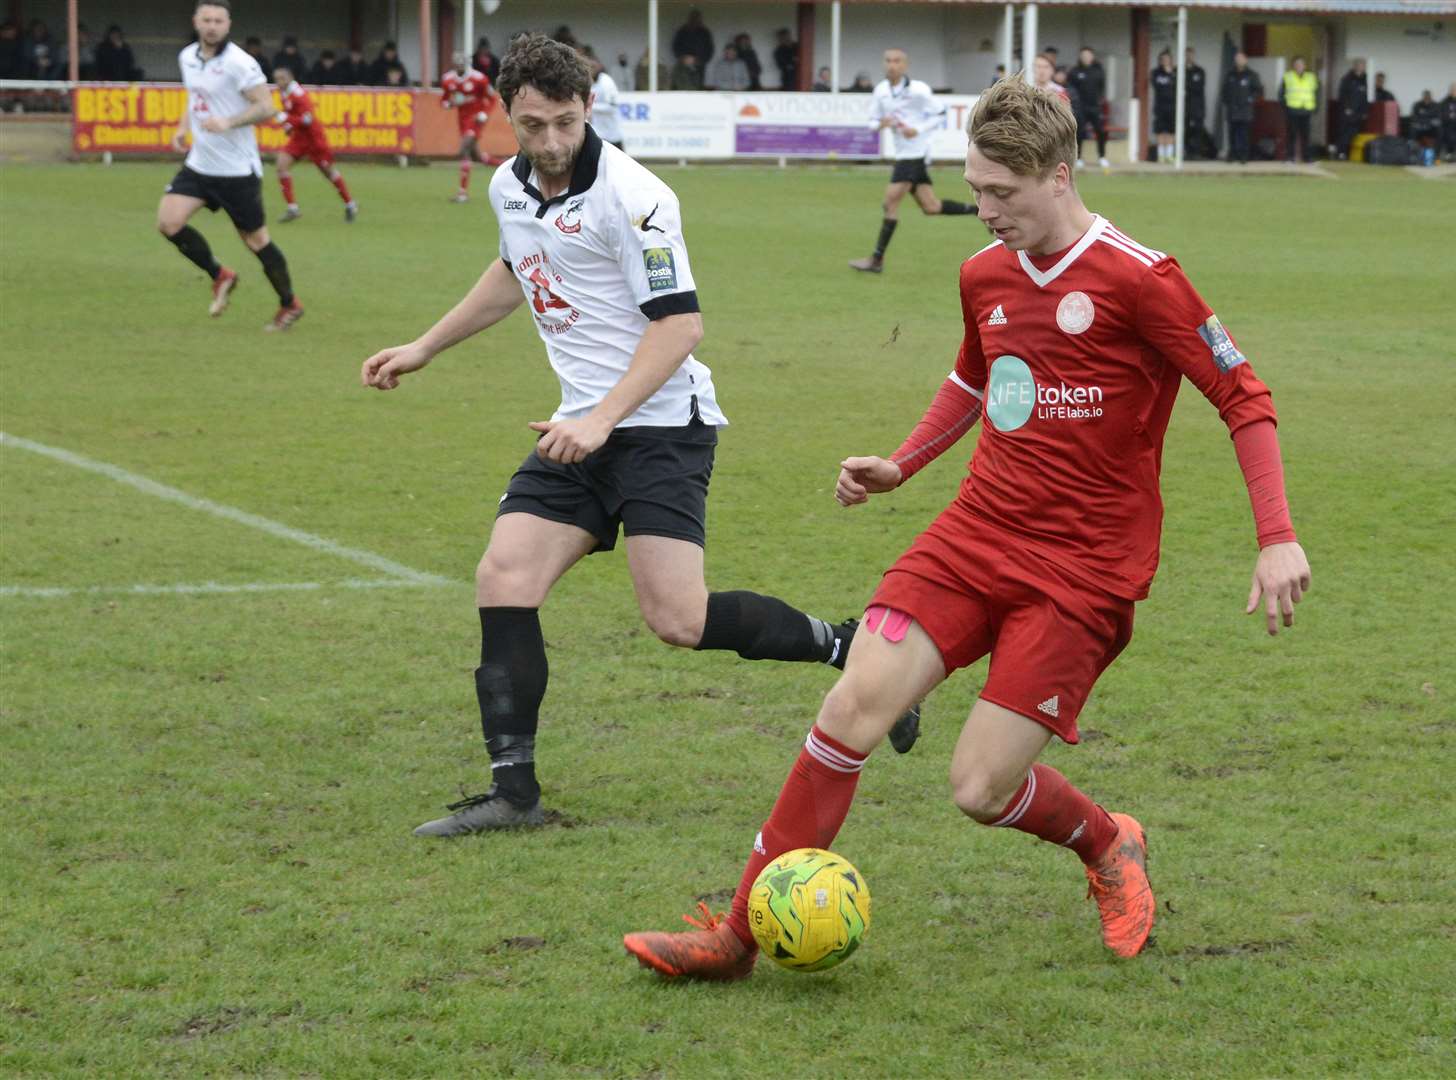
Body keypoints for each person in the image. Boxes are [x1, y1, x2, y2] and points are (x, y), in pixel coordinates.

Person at [623, 74, 1311, 982]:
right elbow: (974, 379)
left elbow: (1242, 393)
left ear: (1060, 176)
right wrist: (902, 463)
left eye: (1002, 193)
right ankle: (737, 936)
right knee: (850, 706)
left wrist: (1276, 534)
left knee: (978, 788)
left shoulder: (1142, 280)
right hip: (975, 535)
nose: (983, 211)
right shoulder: (982, 272)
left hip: (1083, 572)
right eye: (976, 188)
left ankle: (1109, 843)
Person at [360, 34, 920, 839]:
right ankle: (514, 795)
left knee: (678, 620)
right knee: (504, 575)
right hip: (578, 429)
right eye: (531, 125)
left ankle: (850, 645)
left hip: (661, 429)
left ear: (589, 108)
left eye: (563, 122)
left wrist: (599, 420)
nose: (550, 143)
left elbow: (679, 327)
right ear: (506, 116)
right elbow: (518, 268)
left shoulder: (638, 196)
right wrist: (424, 346)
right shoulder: (507, 188)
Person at [159, 2, 301, 332]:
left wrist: (229, 121)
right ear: (196, 21)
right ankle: (220, 274)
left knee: (256, 241)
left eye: (218, 21)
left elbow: (266, 107)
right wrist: (183, 127)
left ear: (228, 24)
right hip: (199, 165)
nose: (212, 26)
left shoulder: (240, 63)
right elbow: (194, 97)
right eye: (206, 20)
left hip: (236, 171)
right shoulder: (187, 57)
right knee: (168, 222)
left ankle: (289, 303)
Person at [848, 48, 977, 274]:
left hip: (914, 155)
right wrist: (881, 123)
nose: (892, 65)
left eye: (897, 61)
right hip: (904, 155)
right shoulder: (881, 91)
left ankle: (876, 260)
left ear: (905, 65)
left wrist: (916, 130)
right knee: (931, 207)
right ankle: (976, 210)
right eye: (888, 60)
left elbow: (939, 113)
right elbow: (871, 122)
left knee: (890, 204)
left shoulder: (919, 90)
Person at [271, 64, 358, 223]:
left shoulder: (299, 95)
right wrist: (289, 126)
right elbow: (294, 116)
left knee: (328, 171)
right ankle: (292, 208)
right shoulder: (284, 92)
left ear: (290, 78)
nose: (278, 82)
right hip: (299, 138)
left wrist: (286, 119)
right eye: (276, 79)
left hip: (314, 139)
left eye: (282, 78)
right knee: (281, 165)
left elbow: (307, 119)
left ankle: (350, 204)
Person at [443, 52, 500, 202]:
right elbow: (444, 100)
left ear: (467, 63)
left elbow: (492, 98)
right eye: (457, 63)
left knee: (463, 150)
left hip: (476, 119)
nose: (460, 66)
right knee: (478, 157)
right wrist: (449, 104)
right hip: (462, 120)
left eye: (462, 63)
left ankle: (462, 193)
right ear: (454, 64)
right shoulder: (448, 80)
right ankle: (507, 165)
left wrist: (484, 113)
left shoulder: (479, 79)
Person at [1066, 46, 1109, 168]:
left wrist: (1099, 101)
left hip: (1095, 107)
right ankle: (1078, 158)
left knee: (1100, 131)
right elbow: (1070, 88)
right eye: (1083, 55)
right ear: (1080, 57)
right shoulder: (1075, 71)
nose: (1086, 57)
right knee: (1080, 132)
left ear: (1092, 56)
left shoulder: (1098, 70)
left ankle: (1102, 156)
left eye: (1088, 55)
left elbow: (1101, 87)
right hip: (1080, 108)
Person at [1221, 52, 1263, 164]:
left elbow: (1258, 91)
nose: (1239, 61)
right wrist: (1227, 102)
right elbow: (1224, 91)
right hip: (1232, 110)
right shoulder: (1230, 74)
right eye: (1237, 59)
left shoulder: (1252, 75)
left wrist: (1250, 99)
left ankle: (1243, 156)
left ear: (1245, 60)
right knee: (1232, 134)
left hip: (1245, 111)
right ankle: (1232, 154)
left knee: (1244, 134)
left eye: (1241, 59)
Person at [1281, 55, 1318, 164]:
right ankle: (1290, 158)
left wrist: (1315, 107)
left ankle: (1307, 158)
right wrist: (1286, 108)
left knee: (1306, 136)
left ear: (1305, 66)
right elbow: (1281, 94)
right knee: (1291, 135)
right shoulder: (1288, 77)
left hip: (1306, 110)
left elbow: (1317, 93)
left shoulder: (1311, 77)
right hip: (1292, 110)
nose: (1299, 66)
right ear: (1293, 66)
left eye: (1301, 64)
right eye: (1297, 64)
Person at [588, 52, 624, 151]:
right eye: (588, 66)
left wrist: (591, 107)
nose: (591, 69)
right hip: (598, 134)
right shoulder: (588, 82)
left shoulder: (606, 82)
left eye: (593, 66)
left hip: (612, 135)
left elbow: (612, 107)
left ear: (600, 66)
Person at [1335, 57, 1368, 159]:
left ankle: (1349, 154)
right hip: (1347, 112)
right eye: (1359, 65)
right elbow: (1342, 95)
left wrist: (1364, 111)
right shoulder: (1347, 79)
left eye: (1363, 65)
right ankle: (1341, 153)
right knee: (1344, 133)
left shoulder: (1366, 80)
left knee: (1354, 133)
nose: (1361, 67)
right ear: (1355, 66)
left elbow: (1366, 97)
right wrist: (1346, 108)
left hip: (1359, 112)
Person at [672, 9, 714, 84]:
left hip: (699, 64)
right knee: (683, 84)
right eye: (693, 18)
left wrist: (699, 60)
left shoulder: (705, 32)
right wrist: (683, 58)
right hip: (684, 63)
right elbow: (676, 46)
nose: (695, 20)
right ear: (689, 18)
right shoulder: (682, 31)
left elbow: (709, 49)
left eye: (697, 18)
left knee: (698, 86)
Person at [1150, 49, 1176, 163]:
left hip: (1172, 106)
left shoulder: (1175, 73)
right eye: (1163, 59)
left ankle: (1169, 155)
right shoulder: (1156, 72)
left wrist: (1170, 73)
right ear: (1160, 61)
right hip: (1160, 106)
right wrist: (1165, 73)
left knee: (1171, 131)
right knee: (1160, 131)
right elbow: (1155, 85)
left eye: (1167, 59)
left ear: (1171, 60)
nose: (1165, 61)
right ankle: (1161, 155)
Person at [1183, 46, 1207, 136]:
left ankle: (1195, 150)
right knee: (1184, 131)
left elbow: (1199, 87)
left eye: (1191, 55)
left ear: (1194, 56)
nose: (1189, 57)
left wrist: (1187, 87)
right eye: (1187, 55)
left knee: (1197, 132)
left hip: (1197, 107)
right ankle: (1184, 149)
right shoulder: (1179, 70)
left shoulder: (1200, 71)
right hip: (1184, 107)